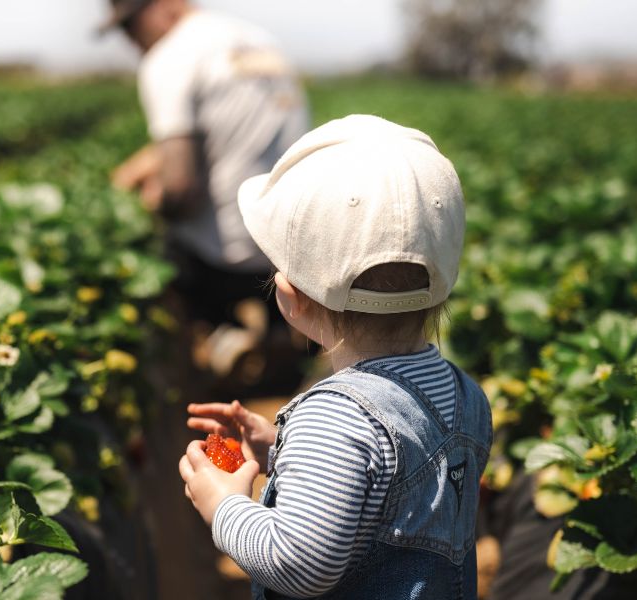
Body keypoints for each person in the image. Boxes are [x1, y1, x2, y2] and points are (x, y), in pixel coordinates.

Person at [177, 115, 493, 599]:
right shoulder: (466, 396)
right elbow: (391, 488)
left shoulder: (335, 422)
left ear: (289, 297)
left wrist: (224, 507)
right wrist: (286, 453)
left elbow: (300, 565)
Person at [101, 0, 311, 391]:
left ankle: (214, 341)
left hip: (225, 255)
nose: (130, 42)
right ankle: (280, 336)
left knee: (153, 247)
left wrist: (151, 202)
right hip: (291, 241)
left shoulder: (169, 57)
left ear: (162, 7)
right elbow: (229, 135)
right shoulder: (255, 40)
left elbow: (181, 188)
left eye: (130, 26)